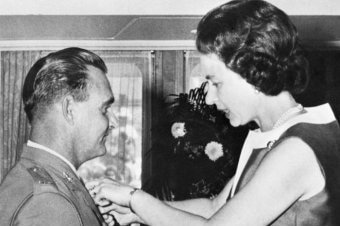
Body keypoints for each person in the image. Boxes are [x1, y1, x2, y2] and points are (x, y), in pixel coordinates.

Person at [89, 0, 340, 225]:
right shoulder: (273, 136)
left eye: (216, 82)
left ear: (253, 72)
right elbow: (214, 208)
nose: (208, 97)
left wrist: (135, 199)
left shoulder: (297, 148)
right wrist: (136, 212)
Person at [0, 47, 117, 226]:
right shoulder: (49, 204)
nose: (113, 122)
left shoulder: (44, 180)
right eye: (104, 109)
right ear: (69, 109)